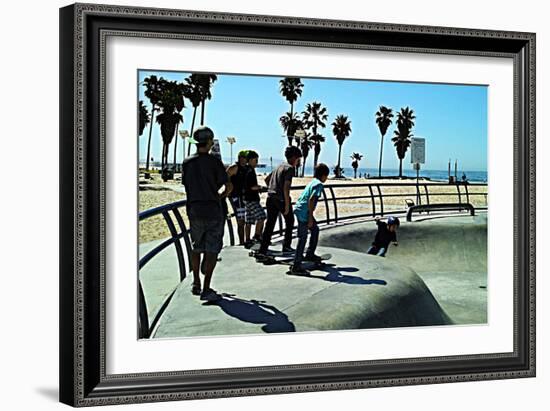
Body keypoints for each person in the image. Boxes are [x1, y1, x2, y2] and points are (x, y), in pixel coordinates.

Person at [181, 126, 230, 302]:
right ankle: (207, 287)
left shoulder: (187, 162)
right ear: (209, 142)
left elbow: (186, 185)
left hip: (194, 210)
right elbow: (228, 186)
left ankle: (195, 282)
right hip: (214, 211)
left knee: (196, 247)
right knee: (212, 250)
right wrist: (219, 196)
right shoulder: (215, 162)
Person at [256, 146, 303, 259]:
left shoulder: (279, 166)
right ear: (294, 158)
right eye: (298, 159)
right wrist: (286, 205)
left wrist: (273, 188)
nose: (298, 162)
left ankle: (263, 249)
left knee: (270, 224)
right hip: (281, 200)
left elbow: (267, 179)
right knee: (290, 221)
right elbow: (286, 188)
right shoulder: (290, 168)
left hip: (270, 198)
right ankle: (286, 246)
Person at [289, 163, 330, 275]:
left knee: (315, 230)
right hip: (304, 212)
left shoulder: (312, 182)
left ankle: (309, 254)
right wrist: (310, 217)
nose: (326, 178)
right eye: (326, 176)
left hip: (299, 209)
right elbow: (312, 200)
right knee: (303, 237)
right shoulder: (319, 185)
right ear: (323, 175)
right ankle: (296, 265)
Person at [243, 150, 266, 248]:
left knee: (248, 221)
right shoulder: (250, 171)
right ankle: (257, 236)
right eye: (256, 160)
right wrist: (261, 187)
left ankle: (247, 240)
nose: (257, 162)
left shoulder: (245, 169)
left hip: (246, 198)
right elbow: (252, 186)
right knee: (262, 216)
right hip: (251, 199)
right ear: (251, 160)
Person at [226, 150, 249, 245]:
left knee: (244, 219)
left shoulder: (247, 168)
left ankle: (244, 240)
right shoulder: (235, 167)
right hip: (236, 196)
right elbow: (225, 176)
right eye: (243, 158)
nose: (245, 160)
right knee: (240, 220)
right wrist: (229, 186)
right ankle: (241, 241)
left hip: (244, 197)